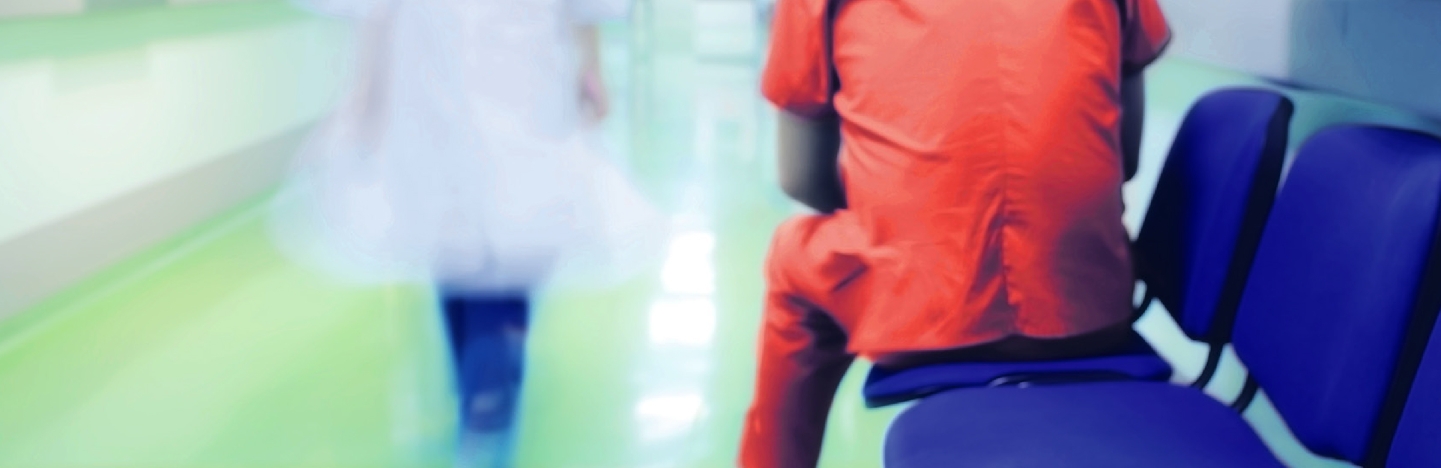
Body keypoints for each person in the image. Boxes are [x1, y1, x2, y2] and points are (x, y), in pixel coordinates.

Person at [741, 0, 1171, 466]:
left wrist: (904, 213)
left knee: (793, 255)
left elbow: (802, 179)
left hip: (918, 320)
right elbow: (1126, 156)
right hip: (1088, 313)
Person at [267, 0, 658, 466]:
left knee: (505, 223)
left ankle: (486, 389)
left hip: (496, 62)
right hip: (444, 66)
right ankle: (485, 387)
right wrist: (368, 87)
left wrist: (590, 64)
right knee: (464, 228)